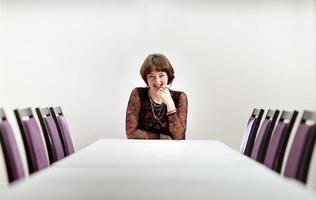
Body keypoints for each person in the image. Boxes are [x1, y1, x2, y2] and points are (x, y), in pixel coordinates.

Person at [125, 53, 188, 140]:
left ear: (168, 76)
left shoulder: (180, 97)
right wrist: (160, 137)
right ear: (146, 79)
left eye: (161, 75)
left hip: (171, 150)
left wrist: (170, 104)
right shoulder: (138, 94)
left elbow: (179, 137)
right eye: (151, 76)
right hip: (142, 148)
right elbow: (130, 133)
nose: (157, 81)